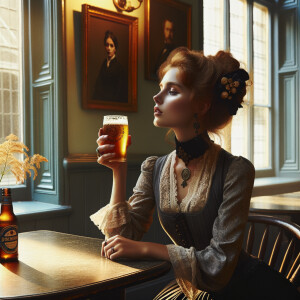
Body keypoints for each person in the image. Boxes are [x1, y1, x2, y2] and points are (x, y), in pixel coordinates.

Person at [91, 48, 300, 299]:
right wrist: (119, 170)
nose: (157, 97)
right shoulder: (154, 167)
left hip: (246, 290)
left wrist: (148, 249)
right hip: (191, 289)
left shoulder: (236, 170)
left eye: (172, 91)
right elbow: (120, 241)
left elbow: (219, 264)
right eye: (160, 87)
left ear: (201, 105)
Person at [93, 30, 128, 102]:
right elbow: (98, 85)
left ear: (115, 48)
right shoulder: (103, 63)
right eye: (107, 45)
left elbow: (119, 91)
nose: (109, 48)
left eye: (111, 45)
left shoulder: (119, 67)